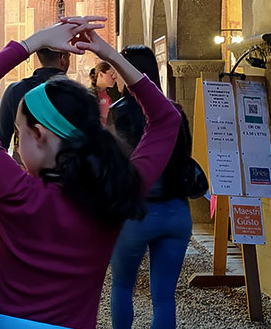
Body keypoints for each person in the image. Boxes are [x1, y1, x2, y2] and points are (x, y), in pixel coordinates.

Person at [0, 17, 181, 329]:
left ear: (41, 134)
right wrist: (111, 55)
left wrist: (34, 42)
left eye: (20, 135)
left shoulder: (13, 190)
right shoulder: (115, 192)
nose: (17, 149)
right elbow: (167, 119)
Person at [107, 45, 194, 329]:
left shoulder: (118, 111)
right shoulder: (176, 111)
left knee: (121, 286)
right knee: (165, 298)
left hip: (135, 213)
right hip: (176, 211)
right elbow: (185, 157)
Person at [0, 45, 70, 153]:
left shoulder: (14, 91)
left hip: (23, 166)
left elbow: (0, 142)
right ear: (63, 59)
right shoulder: (77, 95)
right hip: (65, 166)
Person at [90, 59, 119, 125]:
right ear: (101, 74)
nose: (114, 77)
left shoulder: (116, 92)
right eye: (111, 74)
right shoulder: (89, 95)